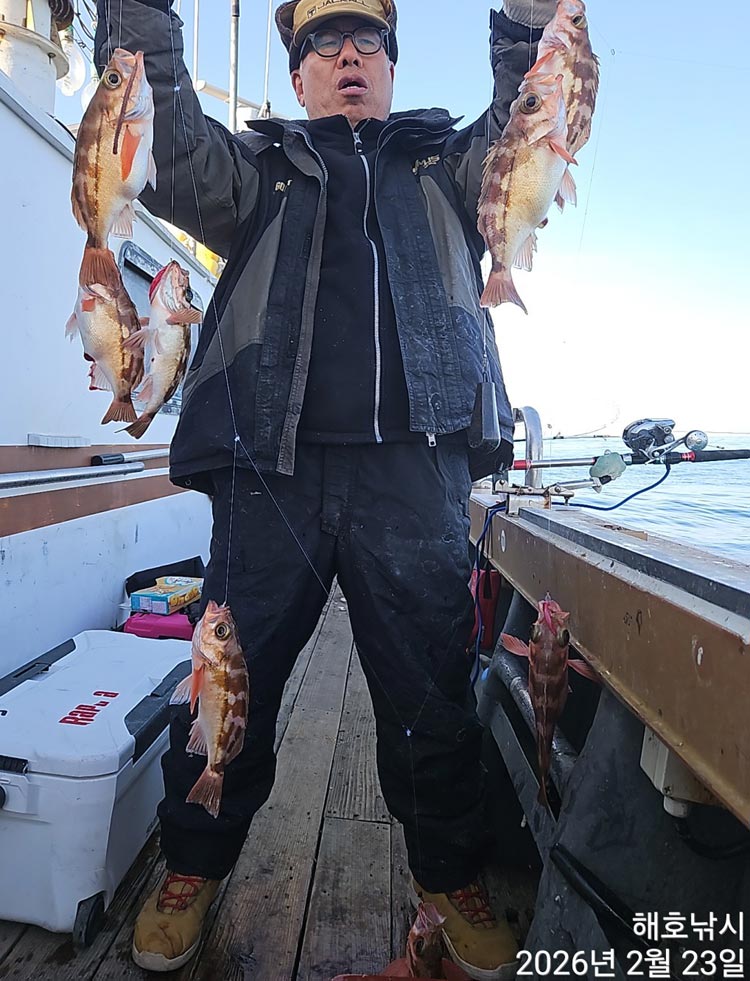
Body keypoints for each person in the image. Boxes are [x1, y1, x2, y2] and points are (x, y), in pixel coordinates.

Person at [94, 0, 556, 976]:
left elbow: (531, 109)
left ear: (391, 64)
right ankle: (193, 863)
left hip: (414, 474)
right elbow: (158, 129)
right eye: (321, 43)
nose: (347, 54)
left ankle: (451, 873)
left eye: (367, 39)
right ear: (298, 73)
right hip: (270, 471)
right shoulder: (251, 173)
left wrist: (531, 21)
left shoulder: (453, 168)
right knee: (231, 678)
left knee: (432, 693)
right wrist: (136, 16)